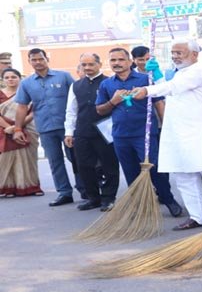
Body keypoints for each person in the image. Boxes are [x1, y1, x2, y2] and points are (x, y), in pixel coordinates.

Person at [131, 40, 202, 230]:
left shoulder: (199, 70)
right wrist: (157, 77)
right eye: (173, 52)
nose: (175, 56)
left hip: (201, 132)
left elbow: (175, 87)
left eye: (179, 52)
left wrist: (146, 90)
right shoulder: (179, 74)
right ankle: (197, 216)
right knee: (184, 175)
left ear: (194, 54)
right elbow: (171, 89)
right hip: (178, 132)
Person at [95, 47, 183, 218]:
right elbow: (100, 110)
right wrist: (113, 101)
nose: (117, 63)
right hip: (120, 135)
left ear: (130, 62)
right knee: (130, 171)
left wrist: (166, 128)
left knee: (156, 168)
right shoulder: (106, 84)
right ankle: (140, 205)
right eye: (113, 60)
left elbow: (159, 104)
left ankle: (168, 199)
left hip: (146, 133)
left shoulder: (145, 79)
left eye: (121, 60)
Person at [12, 48, 82, 206]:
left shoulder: (63, 76)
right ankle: (64, 193)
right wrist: (17, 129)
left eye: (40, 59)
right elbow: (22, 107)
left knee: (76, 158)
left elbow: (77, 97)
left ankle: (84, 188)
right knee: (55, 161)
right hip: (45, 128)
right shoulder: (26, 83)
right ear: (29, 61)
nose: (38, 62)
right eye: (34, 60)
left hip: (68, 127)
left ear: (46, 59)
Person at [64, 53, 119, 211]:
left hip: (105, 131)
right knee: (84, 166)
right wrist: (69, 132)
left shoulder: (109, 82)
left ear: (99, 64)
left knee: (109, 165)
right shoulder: (76, 85)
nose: (87, 68)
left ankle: (108, 198)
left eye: (91, 64)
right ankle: (93, 198)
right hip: (82, 131)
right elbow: (71, 111)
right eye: (84, 65)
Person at [0, 68, 43, 197]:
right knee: (6, 158)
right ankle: (9, 188)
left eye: (13, 77)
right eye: (7, 77)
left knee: (28, 157)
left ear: (20, 78)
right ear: (2, 80)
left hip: (27, 127)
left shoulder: (27, 92)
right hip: (3, 129)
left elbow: (33, 110)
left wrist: (18, 125)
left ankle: (31, 186)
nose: (10, 80)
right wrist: (9, 127)